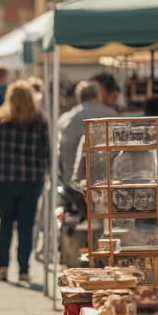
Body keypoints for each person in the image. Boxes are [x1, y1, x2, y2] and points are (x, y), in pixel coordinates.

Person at [0, 81, 50, 283]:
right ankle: (24, 270)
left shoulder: (0, 119)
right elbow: (46, 153)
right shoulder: (40, 121)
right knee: (26, 226)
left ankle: (3, 268)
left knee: (5, 224)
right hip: (32, 180)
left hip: (6, 180)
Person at [57, 81, 117, 218]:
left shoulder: (66, 118)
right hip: (104, 184)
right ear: (99, 96)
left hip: (72, 187)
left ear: (79, 98)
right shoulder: (111, 114)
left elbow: (59, 153)